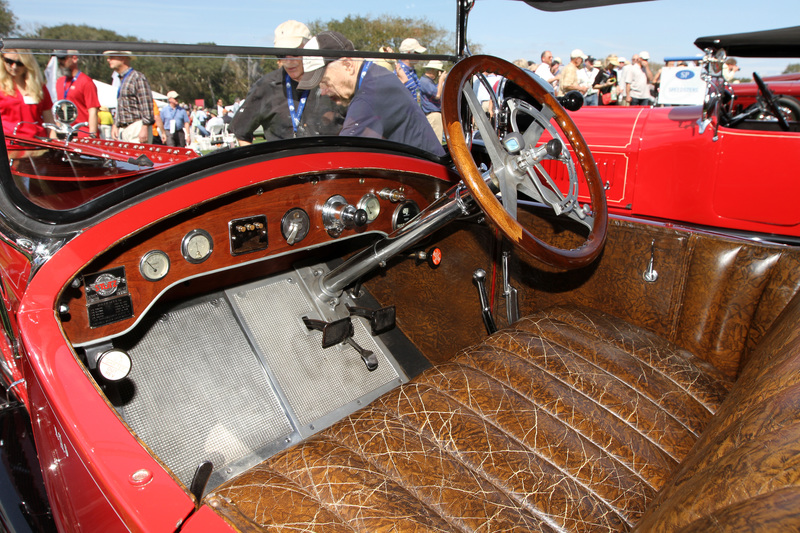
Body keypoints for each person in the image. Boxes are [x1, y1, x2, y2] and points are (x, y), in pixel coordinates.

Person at [298, 31, 445, 156]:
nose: (323, 91)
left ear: (347, 65)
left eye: (325, 81)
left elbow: (343, 157)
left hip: (428, 182)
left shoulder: (369, 97)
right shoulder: (375, 76)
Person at [230, 20, 343, 145]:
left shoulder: (331, 81)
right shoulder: (266, 86)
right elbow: (241, 133)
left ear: (310, 49)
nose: (288, 61)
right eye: (281, 54)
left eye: (295, 53)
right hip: (284, 163)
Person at [0, 49, 55, 139]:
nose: (14, 67)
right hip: (8, 146)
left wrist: (55, 146)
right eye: (9, 62)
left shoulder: (39, 87)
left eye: (20, 63)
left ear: (27, 64)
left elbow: (50, 122)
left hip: (37, 145)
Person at [104, 50, 155, 143]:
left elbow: (146, 103)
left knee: (138, 157)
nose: (108, 60)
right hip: (125, 129)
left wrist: (145, 127)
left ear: (123, 58)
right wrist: (116, 124)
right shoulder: (122, 79)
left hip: (137, 127)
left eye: (112, 57)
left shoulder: (137, 77)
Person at [54, 50, 100, 137]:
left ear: (74, 58)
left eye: (63, 58)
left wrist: (92, 135)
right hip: (65, 134)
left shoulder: (86, 82)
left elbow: (93, 111)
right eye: (58, 58)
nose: (60, 61)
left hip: (83, 134)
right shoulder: (60, 82)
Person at [419, 60, 447, 142]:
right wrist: (441, 80)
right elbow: (437, 95)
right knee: (436, 142)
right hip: (433, 115)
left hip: (433, 115)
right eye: (438, 71)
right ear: (432, 70)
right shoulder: (425, 81)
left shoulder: (429, 82)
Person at [396, 37, 425, 103]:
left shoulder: (412, 71)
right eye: (417, 53)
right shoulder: (399, 72)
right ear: (409, 53)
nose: (419, 56)